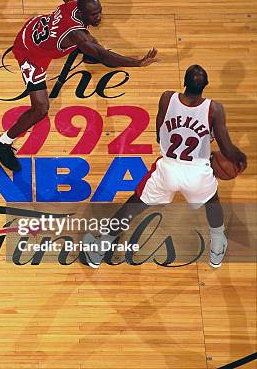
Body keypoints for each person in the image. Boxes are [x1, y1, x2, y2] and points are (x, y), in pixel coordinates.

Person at [0, 0, 159, 171]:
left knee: (91, 45)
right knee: (41, 108)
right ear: (81, 13)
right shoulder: (77, 35)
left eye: (99, 12)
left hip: (36, 26)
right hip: (29, 52)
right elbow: (104, 56)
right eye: (94, 15)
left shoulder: (73, 2)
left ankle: (86, 56)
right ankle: (2, 143)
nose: (98, 17)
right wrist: (137, 63)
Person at [83, 65, 248, 269]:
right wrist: (241, 158)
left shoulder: (167, 98)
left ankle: (100, 248)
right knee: (212, 203)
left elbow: (160, 134)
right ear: (206, 85)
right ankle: (217, 250)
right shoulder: (214, 109)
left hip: (168, 169)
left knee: (134, 204)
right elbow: (227, 148)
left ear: (184, 83)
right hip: (197, 171)